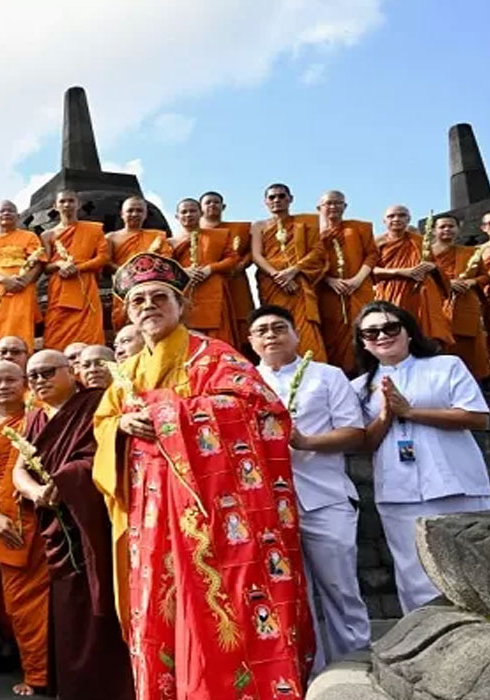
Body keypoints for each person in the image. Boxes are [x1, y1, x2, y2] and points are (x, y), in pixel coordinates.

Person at [93, 253, 314, 699]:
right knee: (159, 607)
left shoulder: (213, 356)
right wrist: (120, 427)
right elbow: (103, 424)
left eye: (160, 297)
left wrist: (166, 414)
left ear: (181, 306)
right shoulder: (127, 372)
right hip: (151, 512)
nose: (149, 306)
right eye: (138, 301)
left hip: (212, 511)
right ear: (128, 313)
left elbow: (260, 409)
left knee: (219, 604)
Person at [251, 305, 371, 669]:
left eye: (279, 327)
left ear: (296, 334)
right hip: (268, 504)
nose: (271, 335)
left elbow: (355, 434)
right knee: (287, 594)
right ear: (251, 341)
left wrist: (306, 443)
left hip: (324, 496)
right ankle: (305, 673)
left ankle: (355, 671)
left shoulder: (327, 375)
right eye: (262, 331)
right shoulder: (244, 381)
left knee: (340, 588)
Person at [351, 301, 490, 612]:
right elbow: (363, 442)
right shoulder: (359, 388)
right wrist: (387, 413)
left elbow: (477, 417)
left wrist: (411, 412)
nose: (383, 336)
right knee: (416, 579)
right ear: (362, 341)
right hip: (400, 492)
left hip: (458, 484)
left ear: (408, 332)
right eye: (371, 332)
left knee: (476, 570)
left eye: (391, 328)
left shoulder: (446, 366)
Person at [9, 350, 132, 698]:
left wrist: (63, 481)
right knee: (67, 605)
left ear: (71, 372)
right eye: (32, 376)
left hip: (92, 522)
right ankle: (74, 685)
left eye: (47, 372)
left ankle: (111, 685)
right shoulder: (34, 417)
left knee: (99, 597)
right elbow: (20, 468)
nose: (39, 381)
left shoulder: (95, 403)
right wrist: (36, 492)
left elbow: (100, 455)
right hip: (57, 524)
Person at [0, 361, 49, 696]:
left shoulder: (42, 415)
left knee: (48, 599)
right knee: (16, 601)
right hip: (7, 518)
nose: (3, 386)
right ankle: (34, 670)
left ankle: (50, 671)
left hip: (46, 513)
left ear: (24, 382)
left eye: (10, 380)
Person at [251, 183, 329, 362]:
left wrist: (293, 271)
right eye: (272, 197)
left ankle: (312, 368)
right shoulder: (259, 226)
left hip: (298, 281)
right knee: (274, 323)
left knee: (305, 328)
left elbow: (317, 251)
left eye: (281, 196)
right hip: (272, 283)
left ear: (290, 199)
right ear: (265, 202)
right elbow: (257, 255)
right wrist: (278, 277)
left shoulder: (305, 223)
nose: (276, 200)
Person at [372, 205, 455, 350]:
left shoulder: (420, 241)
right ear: (384, 221)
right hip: (391, 292)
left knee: (424, 334)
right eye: (391, 216)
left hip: (421, 295)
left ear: (409, 219)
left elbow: (434, 265)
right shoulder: (376, 242)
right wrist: (400, 272)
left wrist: (433, 267)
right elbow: (369, 269)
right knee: (394, 329)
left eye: (402, 215)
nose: (396, 219)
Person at [316, 191, 377, 374]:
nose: (333, 207)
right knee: (333, 334)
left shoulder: (360, 228)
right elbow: (311, 262)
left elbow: (372, 254)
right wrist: (329, 280)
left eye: (338, 203)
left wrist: (357, 280)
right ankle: (338, 377)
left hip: (359, 288)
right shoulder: (314, 234)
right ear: (319, 208)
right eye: (328, 204)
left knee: (363, 328)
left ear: (345, 206)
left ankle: (367, 373)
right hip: (328, 291)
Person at [42, 190, 110, 348]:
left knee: (89, 331)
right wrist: (59, 264)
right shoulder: (48, 235)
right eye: (62, 201)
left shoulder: (94, 230)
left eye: (71, 201)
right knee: (55, 330)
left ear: (78, 204)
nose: (67, 205)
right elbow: (45, 267)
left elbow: (103, 258)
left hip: (85, 286)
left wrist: (78, 268)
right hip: (60, 286)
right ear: (55, 206)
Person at [169, 198, 238, 346]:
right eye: (184, 212)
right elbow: (163, 266)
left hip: (213, 291)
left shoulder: (219, 236)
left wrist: (210, 269)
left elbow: (232, 260)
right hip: (184, 292)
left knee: (219, 339)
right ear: (177, 216)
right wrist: (183, 271)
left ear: (201, 213)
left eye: (193, 211)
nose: (188, 215)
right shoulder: (169, 242)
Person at [432, 215, 490, 379]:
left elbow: (484, 277)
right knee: (440, 346)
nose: (447, 230)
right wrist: (447, 283)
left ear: (458, 229)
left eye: (451, 226)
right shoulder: (425, 254)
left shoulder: (470, 252)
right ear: (434, 230)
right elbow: (421, 277)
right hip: (437, 306)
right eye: (442, 227)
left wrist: (472, 281)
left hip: (464, 304)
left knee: (471, 351)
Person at [0, 201, 44, 351]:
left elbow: (39, 261)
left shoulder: (29, 236)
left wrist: (24, 282)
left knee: (23, 328)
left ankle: (23, 363)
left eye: (10, 211)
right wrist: (3, 279)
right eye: (2, 211)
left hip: (23, 289)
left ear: (18, 216)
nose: (6, 214)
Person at [106, 196, 172, 330]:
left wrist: (146, 274)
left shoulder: (157, 236)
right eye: (130, 211)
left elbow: (166, 259)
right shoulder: (111, 238)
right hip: (124, 288)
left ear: (145, 214)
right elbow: (106, 263)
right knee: (125, 324)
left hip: (151, 286)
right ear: (122, 214)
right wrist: (129, 273)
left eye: (139, 211)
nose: (135, 214)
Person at [200, 191, 255, 350]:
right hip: (208, 284)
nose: (212, 205)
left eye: (216, 202)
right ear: (201, 207)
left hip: (235, 281)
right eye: (208, 202)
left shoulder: (240, 229)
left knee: (242, 323)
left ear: (223, 206)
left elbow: (253, 251)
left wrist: (242, 264)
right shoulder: (194, 233)